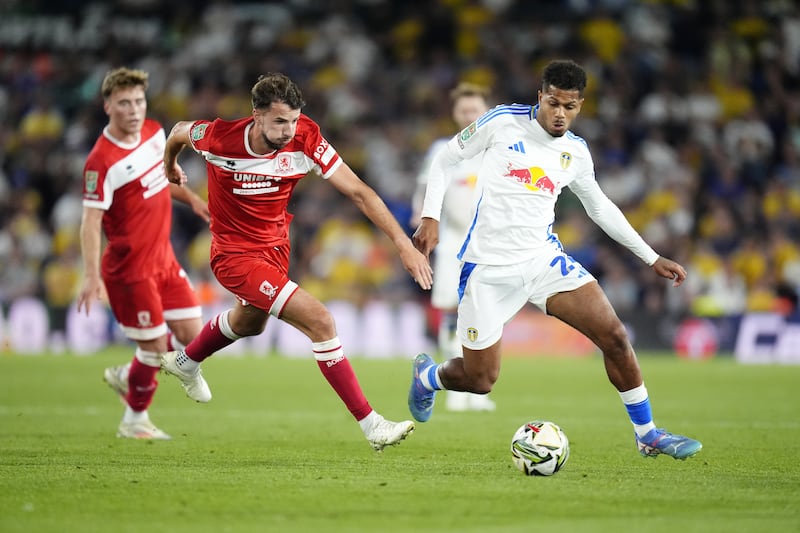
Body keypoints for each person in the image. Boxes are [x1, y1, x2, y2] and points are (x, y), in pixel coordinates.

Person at [409, 59, 702, 460]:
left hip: (543, 261)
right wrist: (431, 216)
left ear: (581, 105)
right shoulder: (501, 122)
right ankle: (428, 378)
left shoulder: (575, 153)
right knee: (480, 380)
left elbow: (600, 208)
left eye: (570, 106)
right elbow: (445, 158)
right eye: (553, 103)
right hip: (488, 270)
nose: (560, 114)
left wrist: (650, 257)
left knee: (614, 336)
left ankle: (647, 433)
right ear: (540, 97)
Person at [160, 72, 433, 451]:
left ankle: (185, 362)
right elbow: (176, 131)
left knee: (249, 323)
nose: (288, 129)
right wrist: (170, 165)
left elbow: (358, 191)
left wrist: (403, 243)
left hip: (275, 249)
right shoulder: (219, 138)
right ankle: (373, 426)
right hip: (234, 255)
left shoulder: (306, 137)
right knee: (321, 320)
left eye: (292, 119)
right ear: (256, 115)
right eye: (278, 121)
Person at [78, 67, 210, 440]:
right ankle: (134, 421)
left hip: (163, 259)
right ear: (108, 106)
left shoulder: (154, 132)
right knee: (155, 349)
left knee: (192, 334)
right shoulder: (100, 162)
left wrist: (193, 199)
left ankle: (126, 375)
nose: (134, 109)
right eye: (124, 103)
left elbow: (161, 179)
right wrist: (91, 276)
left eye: (138, 101)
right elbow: (90, 222)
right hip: (130, 269)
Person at [411, 82, 496, 413]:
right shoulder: (443, 149)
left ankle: (479, 387)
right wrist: (421, 215)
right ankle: (457, 387)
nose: (469, 115)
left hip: (488, 245)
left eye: (475, 109)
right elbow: (425, 187)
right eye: (464, 110)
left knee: (484, 312)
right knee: (451, 312)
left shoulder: (496, 149)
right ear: (455, 114)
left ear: (486, 111)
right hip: (451, 244)